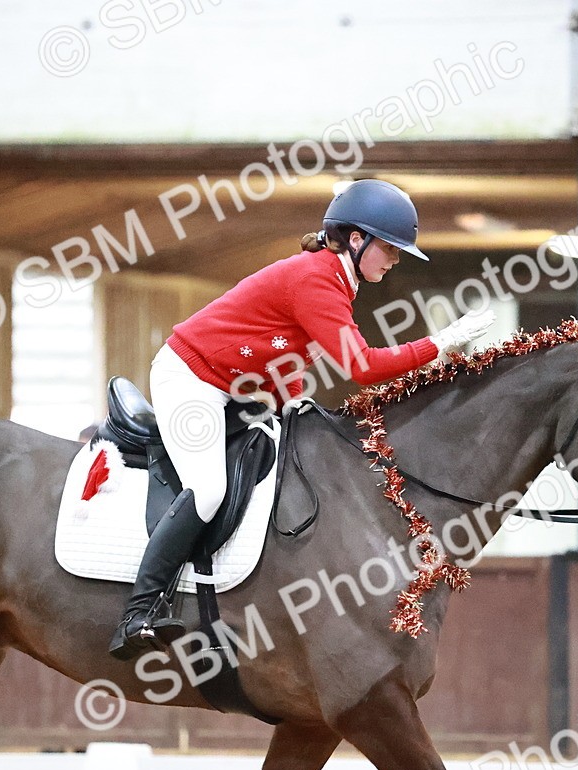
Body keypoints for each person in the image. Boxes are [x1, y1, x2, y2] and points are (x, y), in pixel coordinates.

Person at [109, 179, 496, 659]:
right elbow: (362, 366)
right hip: (193, 379)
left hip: (242, 387)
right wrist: (438, 344)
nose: (395, 259)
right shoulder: (317, 278)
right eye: (390, 249)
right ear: (357, 240)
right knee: (209, 488)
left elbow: (290, 347)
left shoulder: (335, 278)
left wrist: (291, 399)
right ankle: (138, 613)